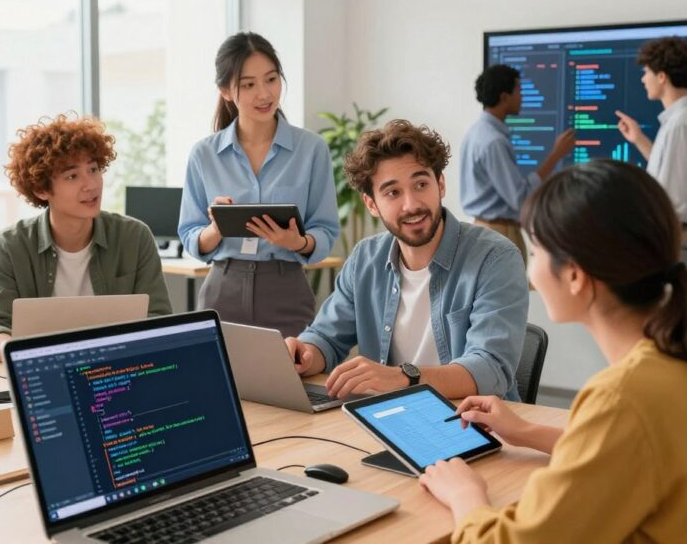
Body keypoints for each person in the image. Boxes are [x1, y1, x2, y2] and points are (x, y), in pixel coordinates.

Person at [419, 159, 687, 543]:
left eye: (534, 254)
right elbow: (631, 455)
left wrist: (465, 495)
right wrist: (525, 431)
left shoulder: (623, 397)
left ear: (574, 276)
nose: (531, 270)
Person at [285, 119, 528, 401]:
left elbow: (491, 368)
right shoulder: (366, 258)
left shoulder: (495, 257)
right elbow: (326, 337)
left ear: (441, 185)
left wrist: (402, 377)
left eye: (421, 184)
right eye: (393, 192)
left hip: (473, 423)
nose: (411, 204)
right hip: (392, 418)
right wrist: (305, 352)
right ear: (372, 204)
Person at [178, 32, 338, 338]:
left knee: (292, 384)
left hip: (287, 290)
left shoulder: (312, 149)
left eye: (271, 79)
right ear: (226, 91)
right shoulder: (204, 154)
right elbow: (189, 235)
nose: (264, 94)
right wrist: (216, 228)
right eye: (248, 84)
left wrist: (298, 242)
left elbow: (326, 230)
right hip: (222, 292)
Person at [0, 115, 172, 362]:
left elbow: (158, 318)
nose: (90, 185)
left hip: (117, 369)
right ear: (41, 189)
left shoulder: (134, 237)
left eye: (93, 169)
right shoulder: (8, 247)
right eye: (72, 176)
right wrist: (22, 357)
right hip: (38, 371)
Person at [458, 64, 576, 263]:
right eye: (519, 90)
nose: (522, 96)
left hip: (487, 230)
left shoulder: (476, 132)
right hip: (500, 233)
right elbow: (519, 199)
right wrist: (555, 156)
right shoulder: (493, 141)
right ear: (505, 96)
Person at [615, 36, 687, 244]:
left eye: (646, 72)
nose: (643, 79)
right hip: (669, 233)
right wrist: (639, 139)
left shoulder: (681, 125)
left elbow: (673, 199)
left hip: (667, 236)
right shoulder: (685, 119)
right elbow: (671, 170)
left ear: (661, 77)